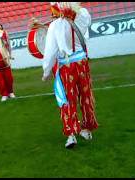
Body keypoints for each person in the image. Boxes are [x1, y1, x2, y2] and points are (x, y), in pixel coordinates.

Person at [41, 2, 98, 149]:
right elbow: (84, 19)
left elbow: (50, 52)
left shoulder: (55, 26)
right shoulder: (83, 15)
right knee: (86, 96)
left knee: (67, 100)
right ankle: (87, 128)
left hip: (67, 66)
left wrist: (46, 71)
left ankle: (71, 134)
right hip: (82, 63)